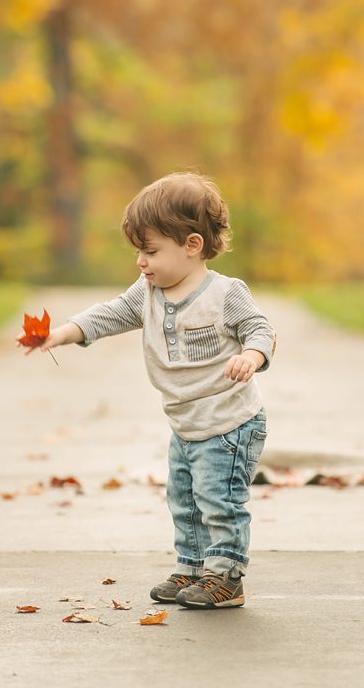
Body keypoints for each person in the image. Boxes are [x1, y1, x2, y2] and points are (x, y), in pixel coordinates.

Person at [24, 171, 277, 611]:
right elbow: (111, 313)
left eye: (151, 251)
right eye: (138, 251)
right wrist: (63, 333)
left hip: (230, 423)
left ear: (192, 245)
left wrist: (251, 358)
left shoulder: (224, 294)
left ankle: (227, 577)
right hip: (186, 422)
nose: (141, 262)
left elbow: (260, 329)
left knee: (218, 499)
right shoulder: (147, 293)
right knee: (184, 498)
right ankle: (194, 567)